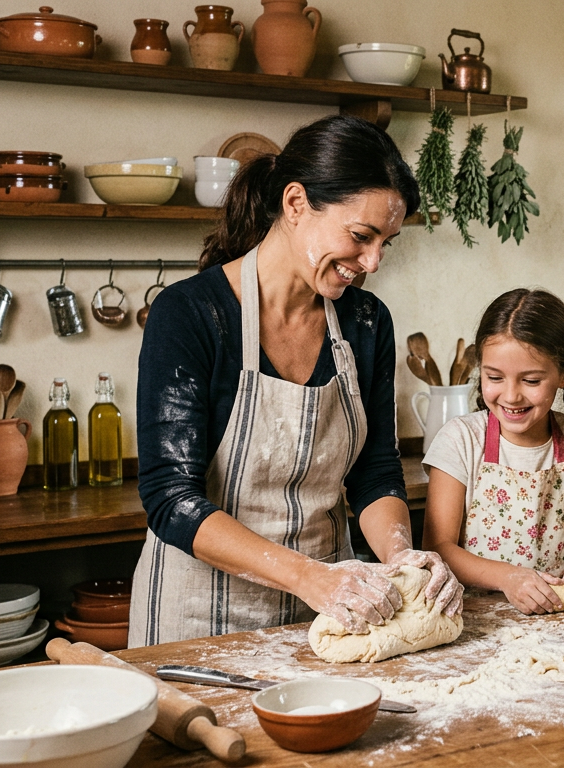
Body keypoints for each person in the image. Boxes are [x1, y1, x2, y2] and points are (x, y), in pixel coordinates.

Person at [130, 115, 463, 648]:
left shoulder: (366, 323)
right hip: (201, 619)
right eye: (361, 236)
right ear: (294, 204)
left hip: (335, 612)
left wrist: (401, 557)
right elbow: (172, 500)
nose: (373, 262)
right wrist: (309, 577)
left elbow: (375, 474)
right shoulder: (189, 315)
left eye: (387, 243)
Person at [423, 289, 564, 614]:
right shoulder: (461, 440)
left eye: (531, 380)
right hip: (478, 622)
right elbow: (438, 548)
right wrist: (508, 578)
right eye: (494, 377)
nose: (511, 396)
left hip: (560, 620)